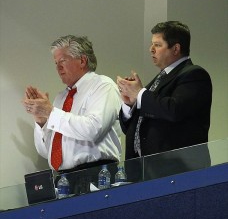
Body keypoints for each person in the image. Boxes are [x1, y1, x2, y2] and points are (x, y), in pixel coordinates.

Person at [23, 35, 122, 183]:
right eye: (56, 63)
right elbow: (46, 152)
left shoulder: (103, 86)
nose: (58, 67)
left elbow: (92, 130)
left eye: (62, 61)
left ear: (82, 60)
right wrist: (42, 121)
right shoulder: (61, 98)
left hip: (97, 174)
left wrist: (51, 113)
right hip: (63, 178)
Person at [117, 21, 212, 170]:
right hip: (144, 172)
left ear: (176, 49)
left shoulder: (194, 75)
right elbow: (130, 128)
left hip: (178, 172)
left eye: (157, 45)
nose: (151, 49)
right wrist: (130, 104)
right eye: (151, 44)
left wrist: (140, 93)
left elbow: (174, 110)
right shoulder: (157, 81)